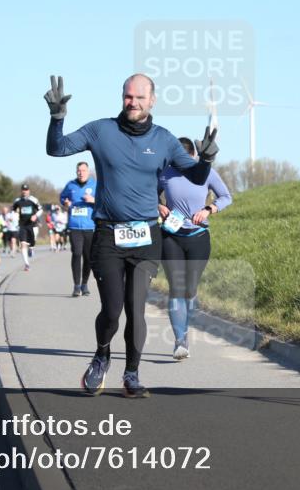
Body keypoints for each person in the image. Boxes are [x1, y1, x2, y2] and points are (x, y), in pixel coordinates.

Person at [46, 73, 218, 398]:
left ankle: (132, 374)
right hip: (108, 235)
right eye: (128, 96)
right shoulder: (101, 130)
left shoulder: (164, 139)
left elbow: (196, 176)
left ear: (152, 100)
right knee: (112, 311)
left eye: (140, 97)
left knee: (136, 308)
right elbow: (57, 148)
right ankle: (101, 355)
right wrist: (57, 118)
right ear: (122, 97)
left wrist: (207, 159)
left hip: (146, 237)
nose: (133, 102)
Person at [158, 138, 232, 359]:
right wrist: (158, 205)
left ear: (192, 156)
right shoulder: (165, 173)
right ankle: (180, 341)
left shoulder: (206, 172)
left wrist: (208, 209)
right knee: (176, 288)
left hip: (198, 237)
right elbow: (148, 193)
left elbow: (226, 197)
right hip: (171, 236)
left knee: (189, 290)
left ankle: (185, 326)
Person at [60, 161, 97, 297]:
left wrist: (93, 200)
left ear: (88, 171)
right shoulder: (70, 185)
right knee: (76, 253)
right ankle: (76, 286)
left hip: (90, 226)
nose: (81, 173)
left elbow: (104, 200)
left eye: (83, 170)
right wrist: (65, 203)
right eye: (79, 171)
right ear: (76, 172)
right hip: (74, 226)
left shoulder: (95, 185)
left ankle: (84, 284)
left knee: (88, 257)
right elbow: (62, 198)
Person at [12, 184, 42, 272]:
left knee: (32, 242)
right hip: (22, 225)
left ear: (29, 191)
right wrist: (15, 216)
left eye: (26, 190)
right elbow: (14, 211)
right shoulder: (17, 201)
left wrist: (35, 216)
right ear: (21, 191)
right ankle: (27, 264)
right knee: (23, 244)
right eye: (23, 190)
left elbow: (40, 210)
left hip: (32, 225)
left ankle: (31, 248)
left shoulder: (33, 200)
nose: (24, 191)